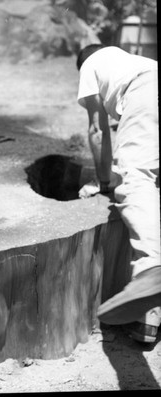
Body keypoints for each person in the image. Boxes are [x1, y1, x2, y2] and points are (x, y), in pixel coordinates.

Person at [76, 44, 161, 343]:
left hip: (146, 91)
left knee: (135, 178)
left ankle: (152, 269)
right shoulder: (130, 61)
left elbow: (98, 131)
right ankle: (148, 321)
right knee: (153, 189)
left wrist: (104, 181)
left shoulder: (89, 65)